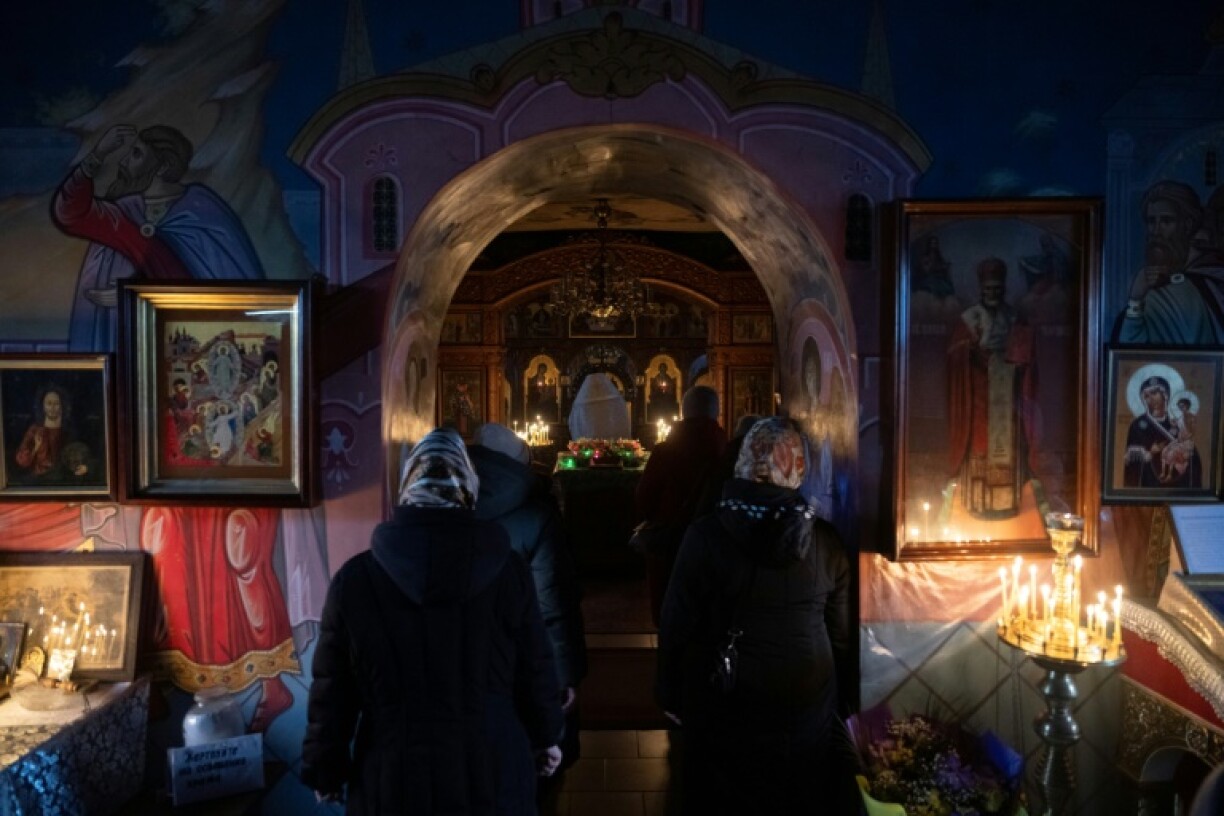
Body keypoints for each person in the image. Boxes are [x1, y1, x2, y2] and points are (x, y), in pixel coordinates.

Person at [302, 427, 564, 813]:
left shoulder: (355, 582)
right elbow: (535, 667)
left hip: (391, 778)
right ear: (470, 488)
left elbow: (333, 693)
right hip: (492, 771)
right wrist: (546, 737)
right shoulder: (507, 571)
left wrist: (325, 770)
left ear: (406, 486)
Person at [656, 417, 862, 816]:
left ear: (745, 463)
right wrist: (848, 698)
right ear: (799, 467)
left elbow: (676, 623)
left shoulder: (705, 535)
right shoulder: (826, 541)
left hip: (727, 694)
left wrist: (668, 691)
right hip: (807, 696)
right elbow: (840, 634)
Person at [51, 122, 265, 352]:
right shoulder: (124, 212)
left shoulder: (203, 211)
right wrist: (97, 155)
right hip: (130, 342)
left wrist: (134, 295)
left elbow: (219, 287)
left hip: (191, 346)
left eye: (136, 154)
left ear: (162, 166)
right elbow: (70, 214)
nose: (123, 162)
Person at [468, 422, 588, 805]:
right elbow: (554, 604)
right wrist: (565, 675)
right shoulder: (536, 516)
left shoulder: (452, 502)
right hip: (526, 661)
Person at [947, 257, 1038, 519]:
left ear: (1004, 289)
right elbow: (956, 353)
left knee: (1006, 444)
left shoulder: (1014, 316)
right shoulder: (969, 318)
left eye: (997, 289)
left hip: (1006, 391)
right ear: (981, 289)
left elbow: (1026, 348)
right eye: (989, 289)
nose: (993, 293)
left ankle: (1006, 503)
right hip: (978, 394)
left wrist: (1017, 357)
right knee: (980, 445)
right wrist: (972, 352)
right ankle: (979, 504)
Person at [635, 385, 726, 627]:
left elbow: (643, 500)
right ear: (716, 414)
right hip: (717, 550)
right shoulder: (728, 452)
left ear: (683, 413)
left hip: (670, 549)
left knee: (671, 619)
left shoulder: (665, 452)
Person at [1114, 180, 1224, 346]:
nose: (1156, 231)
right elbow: (1129, 356)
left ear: (1187, 225)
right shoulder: (1150, 287)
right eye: (1151, 222)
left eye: (1166, 221)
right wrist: (1136, 299)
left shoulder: (1211, 278)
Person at [1123, 376, 1201, 488]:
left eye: (1154, 393)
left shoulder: (1178, 423)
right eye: (1146, 396)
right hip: (1149, 487)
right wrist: (1149, 452)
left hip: (1178, 487)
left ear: (1165, 395)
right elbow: (1132, 464)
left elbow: (1193, 460)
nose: (1150, 398)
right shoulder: (1138, 425)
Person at [13, 385, 75, 481]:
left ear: (62, 406)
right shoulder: (34, 430)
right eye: (49, 403)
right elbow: (22, 461)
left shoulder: (68, 432)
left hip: (63, 481)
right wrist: (36, 447)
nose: (52, 407)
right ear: (43, 406)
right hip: (39, 481)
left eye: (56, 403)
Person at [567, 372, 631, 440]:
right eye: (595, 386)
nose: (597, 388)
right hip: (600, 444)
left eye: (598, 385)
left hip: (592, 443)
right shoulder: (615, 401)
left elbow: (573, 423)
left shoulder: (580, 404)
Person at [1160, 394, 1198, 483]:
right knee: (1165, 450)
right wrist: (1169, 416)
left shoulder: (1191, 417)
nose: (1181, 408)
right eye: (1179, 407)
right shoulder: (1180, 417)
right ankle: (1162, 473)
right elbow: (1174, 425)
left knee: (1173, 453)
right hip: (1179, 441)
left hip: (1187, 443)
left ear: (1187, 406)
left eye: (1182, 406)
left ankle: (1169, 475)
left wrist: (1183, 439)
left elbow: (1192, 432)